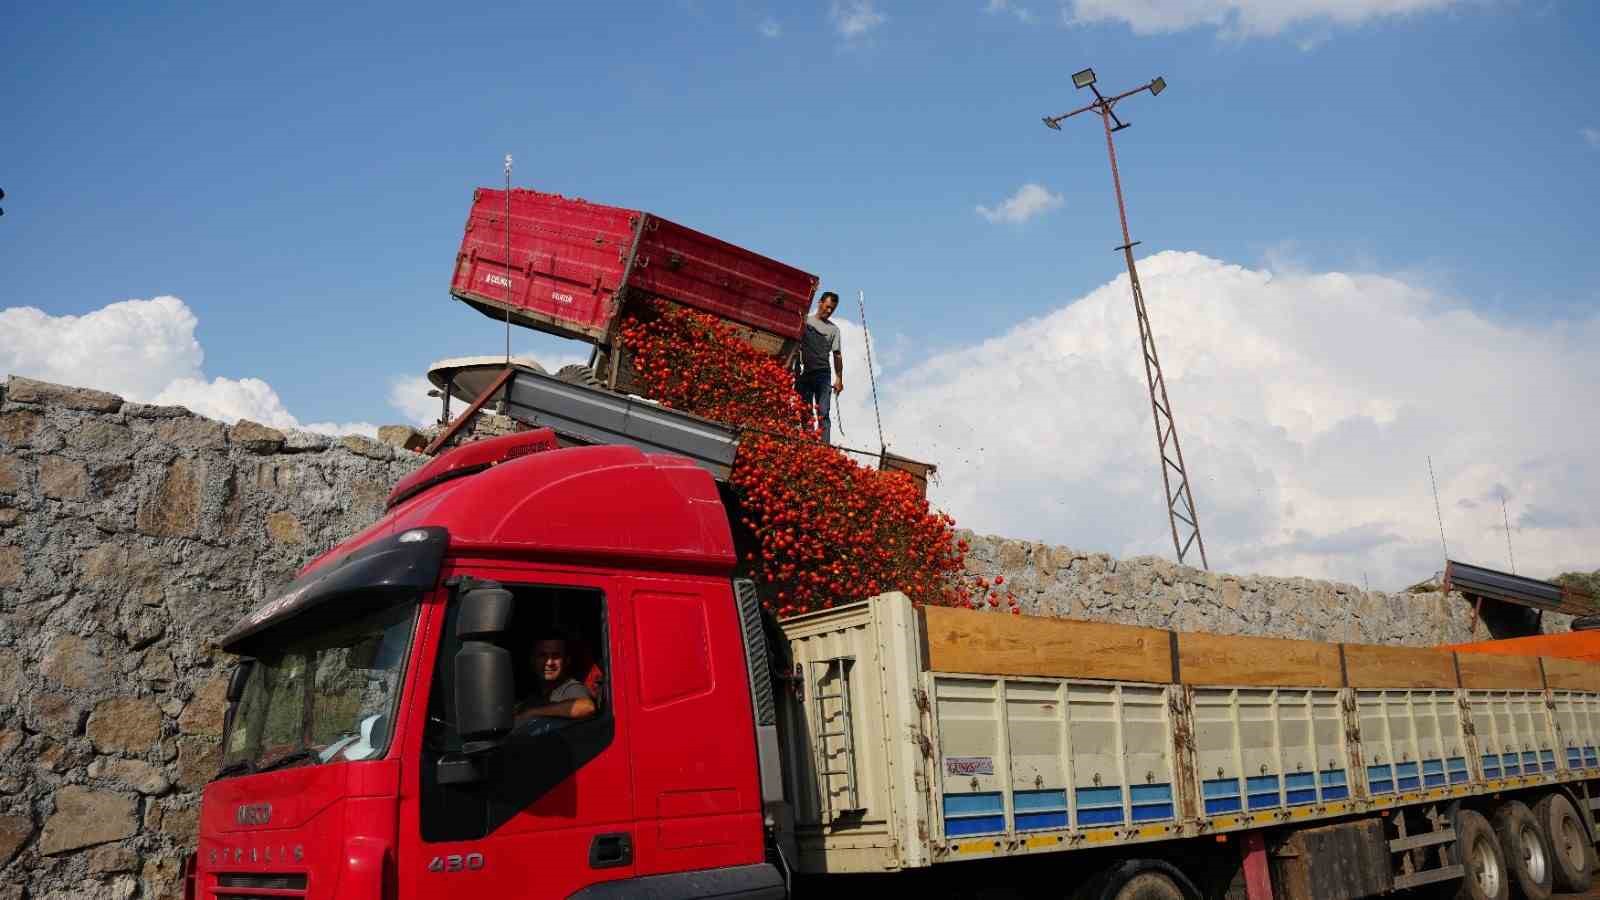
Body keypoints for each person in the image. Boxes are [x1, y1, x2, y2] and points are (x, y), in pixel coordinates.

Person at [514, 631, 596, 725]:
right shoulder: (533, 696)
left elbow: (587, 707)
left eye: (556, 656)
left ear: (566, 661)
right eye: (542, 655)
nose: (549, 663)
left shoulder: (571, 688)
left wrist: (532, 712)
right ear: (532, 660)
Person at [795, 291, 844, 443]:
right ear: (820, 303)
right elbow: (796, 345)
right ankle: (808, 444)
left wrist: (839, 379)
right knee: (805, 411)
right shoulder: (806, 322)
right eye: (827, 307)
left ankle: (824, 448)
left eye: (832, 309)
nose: (829, 311)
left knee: (823, 412)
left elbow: (837, 355)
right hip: (805, 373)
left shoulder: (834, 330)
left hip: (823, 375)